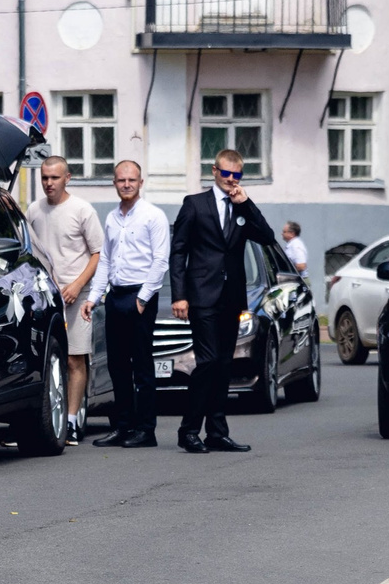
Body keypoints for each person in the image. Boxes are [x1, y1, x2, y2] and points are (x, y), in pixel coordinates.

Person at [168, 149, 278, 453]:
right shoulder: (195, 205)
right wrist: (179, 295)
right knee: (208, 361)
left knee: (224, 364)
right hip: (202, 295)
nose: (231, 180)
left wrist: (247, 204)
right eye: (227, 174)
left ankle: (217, 431)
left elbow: (267, 237)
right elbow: (178, 252)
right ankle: (188, 430)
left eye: (237, 175)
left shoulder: (240, 206)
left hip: (231, 298)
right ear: (215, 171)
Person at [89, 160, 167, 447]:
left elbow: (160, 260)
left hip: (139, 297)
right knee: (117, 365)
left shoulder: (152, 216)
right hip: (116, 295)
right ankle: (123, 426)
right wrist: (93, 297)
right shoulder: (111, 218)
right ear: (114, 183)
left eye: (131, 180)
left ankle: (146, 430)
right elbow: (106, 260)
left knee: (142, 366)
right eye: (121, 180)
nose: (126, 184)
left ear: (140, 182)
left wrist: (143, 298)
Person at [25, 155, 102, 444]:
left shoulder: (82, 210)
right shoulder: (34, 210)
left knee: (74, 359)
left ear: (67, 178)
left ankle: (70, 421)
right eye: (44, 177)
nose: (48, 183)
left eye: (54, 178)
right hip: (46, 295)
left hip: (77, 295)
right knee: (46, 359)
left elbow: (97, 253)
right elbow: (31, 251)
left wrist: (77, 285)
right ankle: (43, 421)